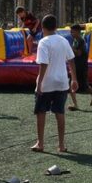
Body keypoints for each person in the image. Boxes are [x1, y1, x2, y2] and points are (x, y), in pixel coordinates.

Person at [32, 15, 77, 153]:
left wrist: (39, 83)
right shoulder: (64, 40)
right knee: (60, 112)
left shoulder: (43, 42)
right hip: (62, 82)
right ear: (56, 27)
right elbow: (71, 60)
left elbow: (43, 64)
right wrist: (74, 79)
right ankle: (61, 145)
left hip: (47, 82)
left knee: (41, 112)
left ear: (43, 28)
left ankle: (40, 143)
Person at [68, 24, 92, 110]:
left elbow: (78, 53)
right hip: (75, 66)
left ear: (77, 32)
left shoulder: (81, 41)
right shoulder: (75, 40)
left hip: (81, 67)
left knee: (84, 86)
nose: (71, 33)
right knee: (71, 84)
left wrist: (69, 48)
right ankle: (75, 104)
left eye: (72, 31)